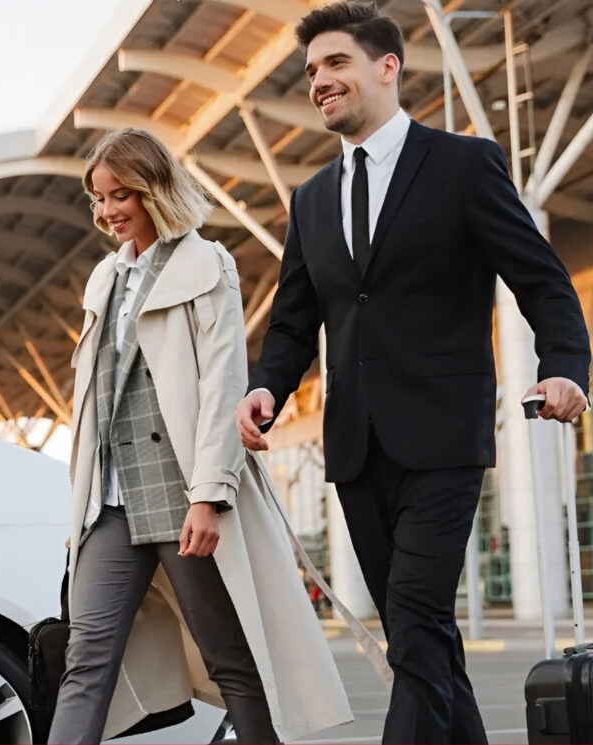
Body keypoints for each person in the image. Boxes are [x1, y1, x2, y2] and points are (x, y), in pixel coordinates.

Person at [234, 3, 591, 743]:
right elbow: (296, 321)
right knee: (420, 636)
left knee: (418, 619)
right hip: (358, 450)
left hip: (442, 439)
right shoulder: (310, 200)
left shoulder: (462, 164)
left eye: (335, 64)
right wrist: (267, 384)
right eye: (310, 72)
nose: (319, 81)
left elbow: (540, 278)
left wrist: (564, 367)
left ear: (387, 67)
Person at [51, 128, 352, 744]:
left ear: (152, 189)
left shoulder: (205, 263)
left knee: (230, 659)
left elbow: (222, 385)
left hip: (180, 494)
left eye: (119, 196)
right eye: (98, 199)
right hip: (108, 504)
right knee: (85, 661)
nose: (107, 212)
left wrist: (210, 495)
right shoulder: (103, 280)